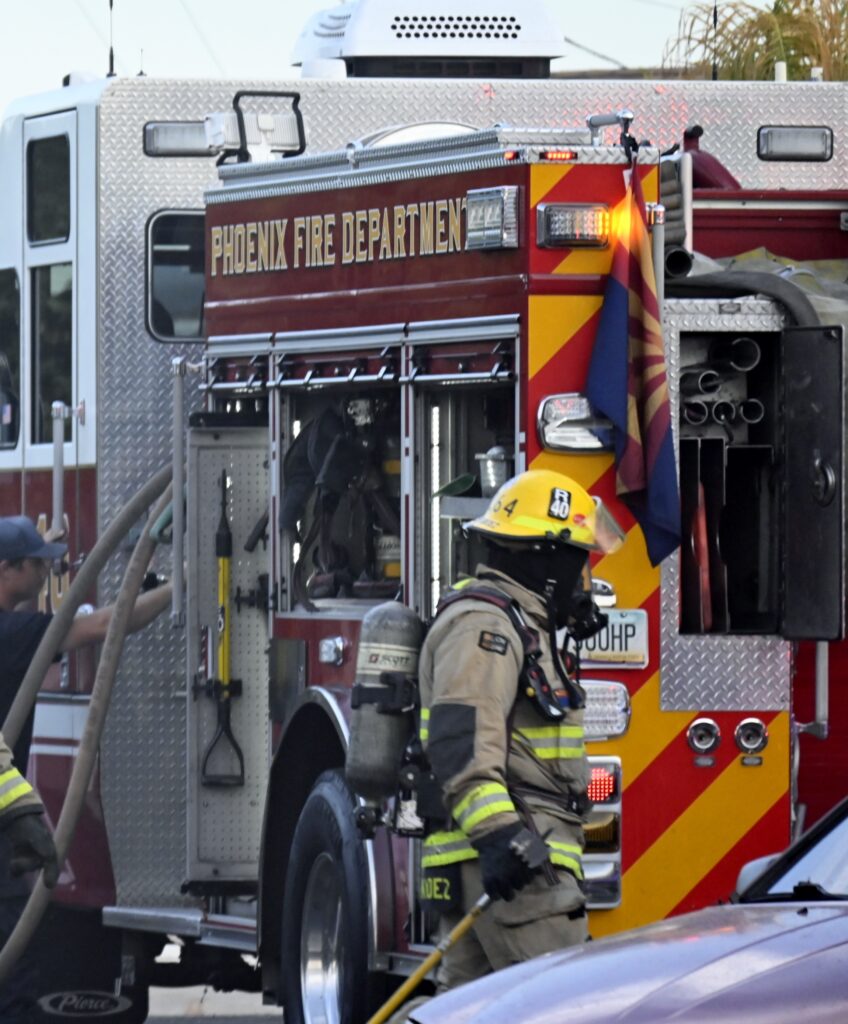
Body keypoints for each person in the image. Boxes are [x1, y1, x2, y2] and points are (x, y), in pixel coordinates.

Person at [417, 468, 624, 990]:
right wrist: (499, 837)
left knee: (470, 1010)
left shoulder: (520, 626)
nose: (583, 578)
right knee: (562, 1003)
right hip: (517, 863)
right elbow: (460, 743)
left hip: (513, 862)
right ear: (545, 559)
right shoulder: (485, 626)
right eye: (578, 560)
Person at [0, 514, 173, 1022]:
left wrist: (42, 549)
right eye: (38, 566)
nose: (47, 573)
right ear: (8, 569)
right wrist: (179, 588)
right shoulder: (14, 634)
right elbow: (106, 625)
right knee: (14, 954)